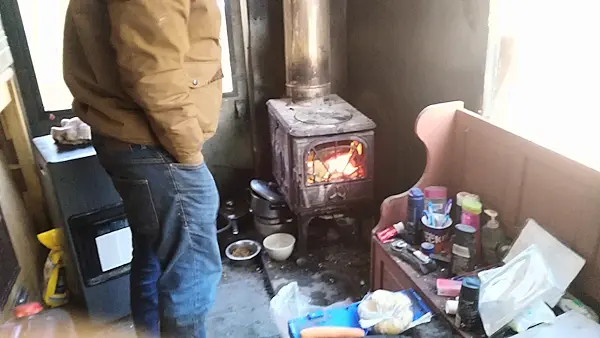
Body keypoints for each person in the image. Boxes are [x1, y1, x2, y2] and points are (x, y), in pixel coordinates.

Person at [63, 0, 224, 336]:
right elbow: (152, 71)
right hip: (156, 145)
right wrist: (188, 150)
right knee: (192, 272)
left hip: (134, 138)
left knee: (153, 253)